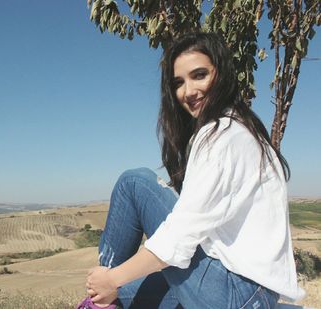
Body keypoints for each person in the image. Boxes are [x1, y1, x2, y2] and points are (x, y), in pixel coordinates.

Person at [76, 32, 304, 309]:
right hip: (252, 296)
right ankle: (101, 298)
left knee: (134, 183)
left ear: (220, 74)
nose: (189, 91)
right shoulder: (244, 129)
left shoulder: (222, 135)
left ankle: (98, 296)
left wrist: (111, 278)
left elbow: (178, 237)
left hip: (235, 294)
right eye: (178, 83)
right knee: (125, 295)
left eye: (199, 75)